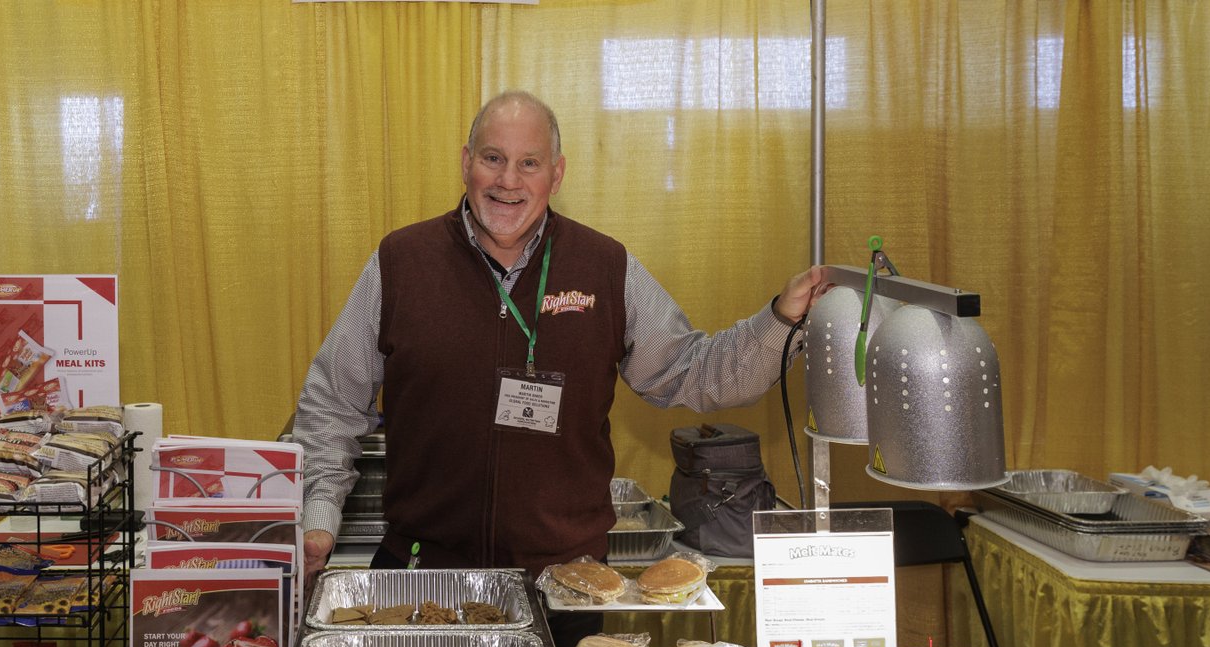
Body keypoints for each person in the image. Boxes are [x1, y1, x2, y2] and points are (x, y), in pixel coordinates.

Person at [293, 90, 827, 591]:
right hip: (422, 573)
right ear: (466, 162)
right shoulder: (401, 262)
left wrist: (780, 320)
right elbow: (332, 402)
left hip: (566, 585)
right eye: (493, 158)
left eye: (529, 163)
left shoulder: (605, 268)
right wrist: (318, 518)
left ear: (557, 173)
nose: (508, 181)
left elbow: (696, 372)